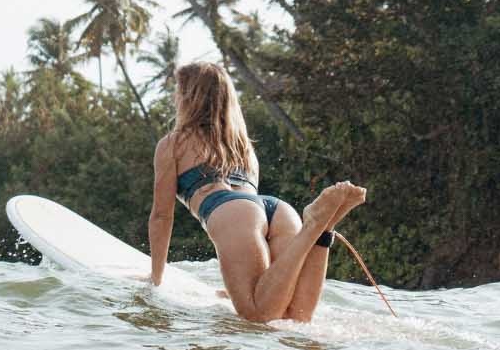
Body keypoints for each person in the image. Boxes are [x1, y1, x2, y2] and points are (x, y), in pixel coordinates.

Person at [148, 62, 366, 323]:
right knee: (296, 316)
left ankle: (313, 227)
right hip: (275, 210)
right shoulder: (243, 146)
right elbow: (253, 221)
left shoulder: (174, 143)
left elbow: (162, 216)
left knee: (257, 315)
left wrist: (156, 278)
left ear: (188, 97)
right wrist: (237, 287)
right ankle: (323, 231)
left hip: (234, 212)